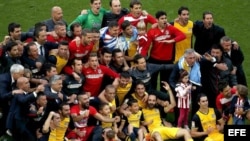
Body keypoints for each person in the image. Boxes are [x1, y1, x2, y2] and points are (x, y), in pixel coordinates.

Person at [142, 10, 186, 91]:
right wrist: (142, 59)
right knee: (152, 82)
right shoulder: (152, 31)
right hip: (154, 61)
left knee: (165, 83)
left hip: (167, 61)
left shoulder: (170, 29)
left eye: (165, 18)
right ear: (157, 20)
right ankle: (153, 100)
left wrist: (171, 41)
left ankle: (164, 101)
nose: (165, 20)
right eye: (162, 18)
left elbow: (183, 35)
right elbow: (146, 47)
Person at [0, 64, 24, 136]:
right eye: (21, 74)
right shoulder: (3, 80)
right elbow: (2, 96)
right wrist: (13, 92)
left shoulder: (15, 78)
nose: (22, 76)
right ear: (15, 74)